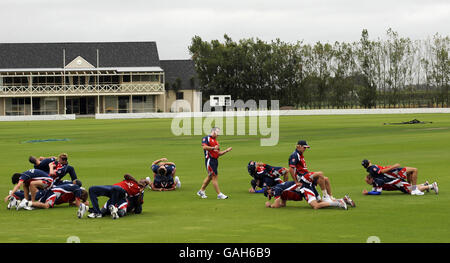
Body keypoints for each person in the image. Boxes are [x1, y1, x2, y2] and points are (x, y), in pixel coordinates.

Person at [264, 181, 354, 210]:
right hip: (305, 188)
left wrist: (270, 206)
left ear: (269, 190)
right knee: (320, 202)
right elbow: (283, 204)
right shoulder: (281, 189)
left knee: (316, 206)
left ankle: (339, 203)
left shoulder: (277, 189)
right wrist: (277, 204)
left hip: (304, 189)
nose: (271, 195)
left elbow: (276, 204)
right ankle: (344, 199)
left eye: (269, 194)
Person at [196, 127, 232, 199]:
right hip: (210, 160)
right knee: (214, 176)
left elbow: (218, 153)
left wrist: (226, 151)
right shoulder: (207, 138)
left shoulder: (216, 142)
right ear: (214, 132)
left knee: (210, 176)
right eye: (217, 132)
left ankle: (201, 191)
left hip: (215, 160)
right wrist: (213, 148)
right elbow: (204, 147)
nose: (218, 134)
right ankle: (219, 194)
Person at [363, 174, 438, 195]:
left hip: (399, 183)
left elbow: (378, 192)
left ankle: (431, 186)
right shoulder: (374, 183)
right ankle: (424, 185)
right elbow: (374, 190)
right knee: (411, 188)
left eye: (367, 181)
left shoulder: (378, 181)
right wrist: (369, 192)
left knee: (411, 191)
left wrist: (368, 193)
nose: (367, 183)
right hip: (398, 184)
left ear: (371, 179)